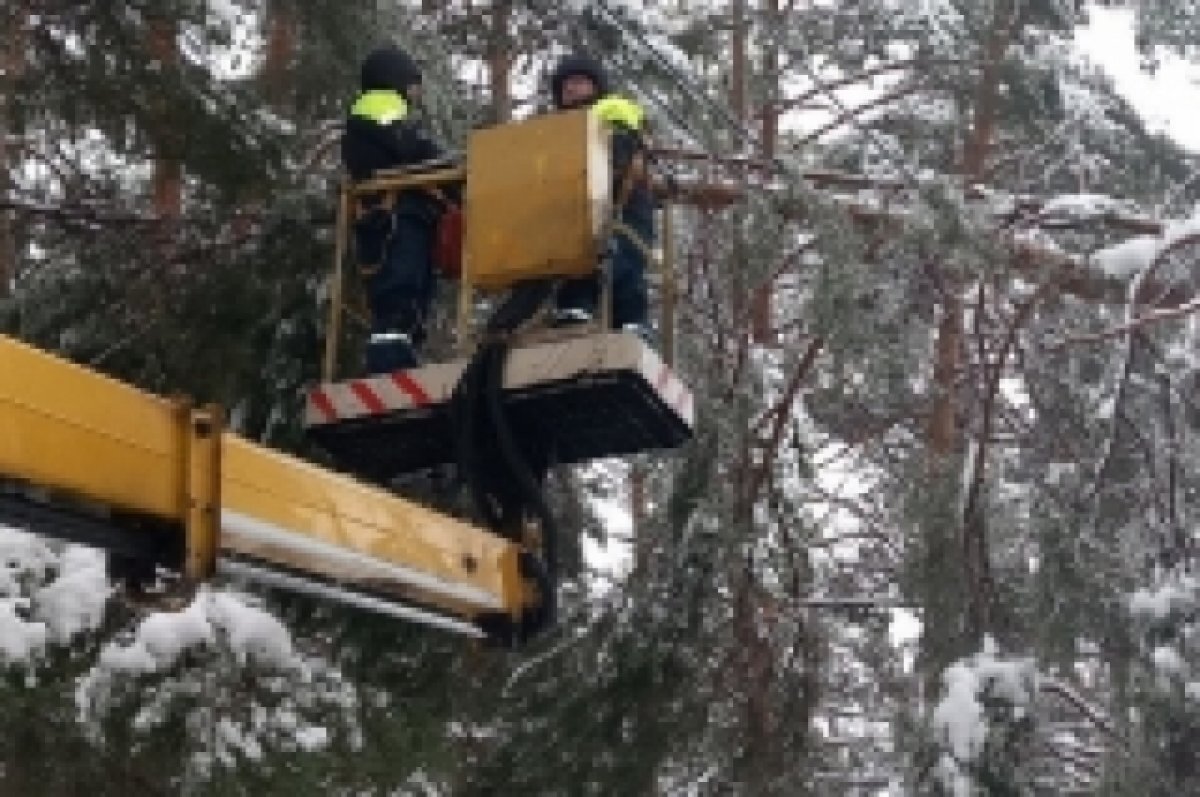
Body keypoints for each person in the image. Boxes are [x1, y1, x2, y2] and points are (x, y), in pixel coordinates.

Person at [341, 44, 446, 373]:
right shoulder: (380, 106)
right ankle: (390, 360)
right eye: (412, 84)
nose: (415, 93)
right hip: (397, 217)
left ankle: (397, 353)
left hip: (394, 214)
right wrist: (446, 168)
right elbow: (413, 147)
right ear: (394, 78)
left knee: (406, 295)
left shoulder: (371, 112)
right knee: (399, 291)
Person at [548, 53, 654, 340]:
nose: (570, 89)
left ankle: (633, 322)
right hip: (583, 202)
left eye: (578, 82)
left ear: (596, 87)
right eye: (565, 85)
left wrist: (613, 161)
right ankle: (575, 309)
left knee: (624, 260)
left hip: (625, 201)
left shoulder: (611, 107)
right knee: (579, 258)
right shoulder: (558, 127)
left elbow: (622, 142)